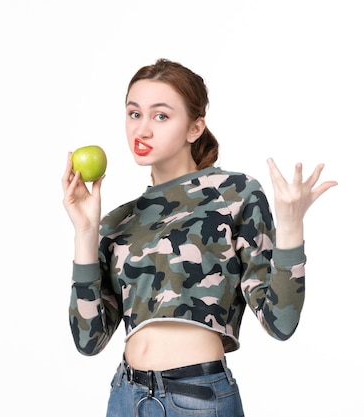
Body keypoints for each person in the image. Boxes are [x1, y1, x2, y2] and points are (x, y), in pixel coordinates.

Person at [61, 58, 337, 417]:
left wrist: (290, 227)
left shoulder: (235, 193)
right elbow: (88, 340)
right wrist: (85, 231)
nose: (142, 130)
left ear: (195, 128)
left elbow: (280, 323)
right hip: (126, 396)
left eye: (161, 116)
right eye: (134, 114)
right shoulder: (118, 221)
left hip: (199, 400)